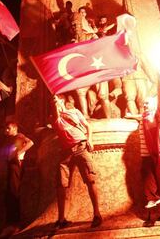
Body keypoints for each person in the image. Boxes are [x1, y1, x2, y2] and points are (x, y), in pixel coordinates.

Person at [129, 77, 160, 222]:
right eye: (143, 102)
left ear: (155, 105)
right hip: (147, 155)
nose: (144, 104)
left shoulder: (159, 114)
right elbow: (131, 115)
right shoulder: (143, 118)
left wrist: (159, 85)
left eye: (147, 102)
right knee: (147, 177)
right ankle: (152, 199)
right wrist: (133, 116)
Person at [51, 94, 102, 228]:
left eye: (58, 98)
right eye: (54, 99)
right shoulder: (55, 117)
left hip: (80, 146)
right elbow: (55, 115)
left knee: (90, 179)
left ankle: (97, 214)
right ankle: (61, 219)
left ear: (64, 100)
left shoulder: (74, 112)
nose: (56, 100)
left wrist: (90, 139)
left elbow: (88, 126)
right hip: (66, 152)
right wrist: (55, 104)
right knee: (61, 184)